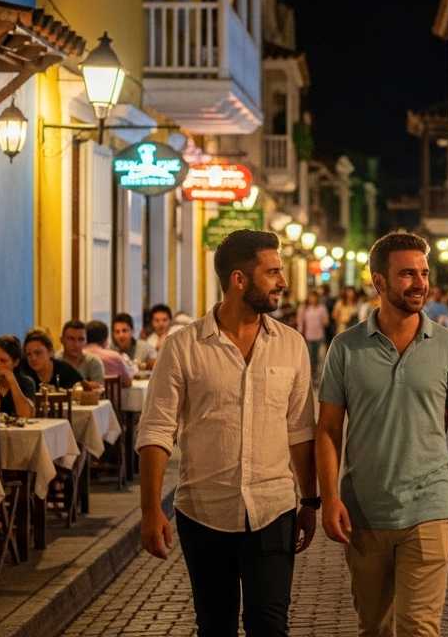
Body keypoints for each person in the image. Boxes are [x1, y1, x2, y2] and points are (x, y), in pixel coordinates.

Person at [137, 230, 317, 636]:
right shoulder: (183, 347)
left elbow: (300, 430)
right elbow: (157, 429)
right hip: (204, 511)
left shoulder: (291, 345)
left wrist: (310, 499)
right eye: (272, 273)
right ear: (239, 279)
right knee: (214, 626)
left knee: (269, 625)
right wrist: (151, 510)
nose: (282, 282)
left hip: (273, 510)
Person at [316, 232, 448, 636]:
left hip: (430, 506)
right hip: (365, 510)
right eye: (407, 274)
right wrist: (330, 498)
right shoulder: (346, 348)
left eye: (423, 273)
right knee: (374, 626)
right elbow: (328, 429)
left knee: (419, 627)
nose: (420, 283)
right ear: (379, 282)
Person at [84, 319, 134, 388]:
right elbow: (128, 383)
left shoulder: (79, 356)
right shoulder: (114, 357)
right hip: (111, 398)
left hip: (83, 398)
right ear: (105, 339)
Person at [59, 320, 105, 389]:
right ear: (62, 340)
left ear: (86, 341)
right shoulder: (55, 361)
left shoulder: (93, 361)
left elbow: (99, 388)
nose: (76, 345)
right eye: (71, 339)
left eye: (81, 339)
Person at [297, 290, 330, 382]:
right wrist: (300, 333)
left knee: (319, 358)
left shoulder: (322, 308)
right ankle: (310, 377)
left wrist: (323, 320)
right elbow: (300, 322)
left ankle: (317, 377)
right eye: (311, 297)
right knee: (309, 357)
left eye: (314, 297)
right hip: (308, 336)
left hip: (319, 336)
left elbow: (326, 322)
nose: (312, 299)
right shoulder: (305, 308)